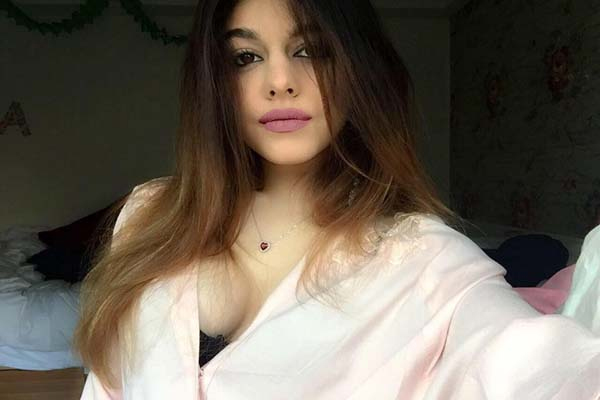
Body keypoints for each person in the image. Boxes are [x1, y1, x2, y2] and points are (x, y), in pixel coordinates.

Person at [74, 0, 600, 398]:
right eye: (245, 57)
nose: (280, 81)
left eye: (311, 50)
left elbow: (533, 364)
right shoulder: (149, 215)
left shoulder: (425, 258)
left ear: (359, 69)